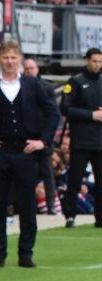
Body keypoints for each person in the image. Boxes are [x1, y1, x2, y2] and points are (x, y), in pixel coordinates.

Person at [0, 40, 60, 268]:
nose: (9, 62)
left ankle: (26, 253)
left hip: (25, 151)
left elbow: (53, 113)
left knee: (27, 204)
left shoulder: (32, 84)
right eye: (5, 57)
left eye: (13, 57)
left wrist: (42, 142)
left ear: (20, 59)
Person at [60, 47, 102, 229]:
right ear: (87, 61)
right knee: (75, 181)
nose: (98, 65)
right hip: (81, 140)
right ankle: (70, 215)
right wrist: (90, 115)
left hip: (100, 142)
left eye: (100, 62)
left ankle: (100, 217)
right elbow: (65, 108)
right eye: (95, 61)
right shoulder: (76, 81)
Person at [23, 58, 59, 216]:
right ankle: (23, 205)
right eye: (27, 68)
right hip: (25, 137)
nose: (30, 70)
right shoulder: (19, 87)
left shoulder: (46, 87)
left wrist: (47, 138)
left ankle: (51, 205)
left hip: (43, 137)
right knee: (24, 173)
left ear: (37, 69)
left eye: (32, 68)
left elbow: (52, 114)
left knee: (47, 173)